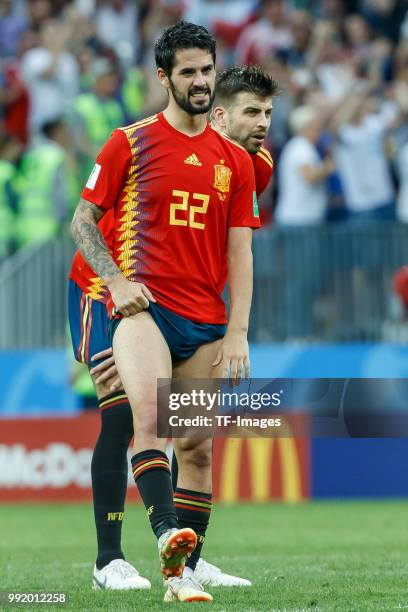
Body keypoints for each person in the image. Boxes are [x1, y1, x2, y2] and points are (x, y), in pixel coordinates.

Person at [70, 21, 260, 603]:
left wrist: (238, 334)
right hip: (139, 306)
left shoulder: (237, 160)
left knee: (197, 444)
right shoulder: (129, 142)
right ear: (163, 78)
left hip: (203, 318)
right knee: (136, 417)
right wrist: (116, 284)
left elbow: (241, 251)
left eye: (207, 71)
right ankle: (127, 551)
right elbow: (82, 221)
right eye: (188, 72)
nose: (201, 82)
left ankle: (188, 565)